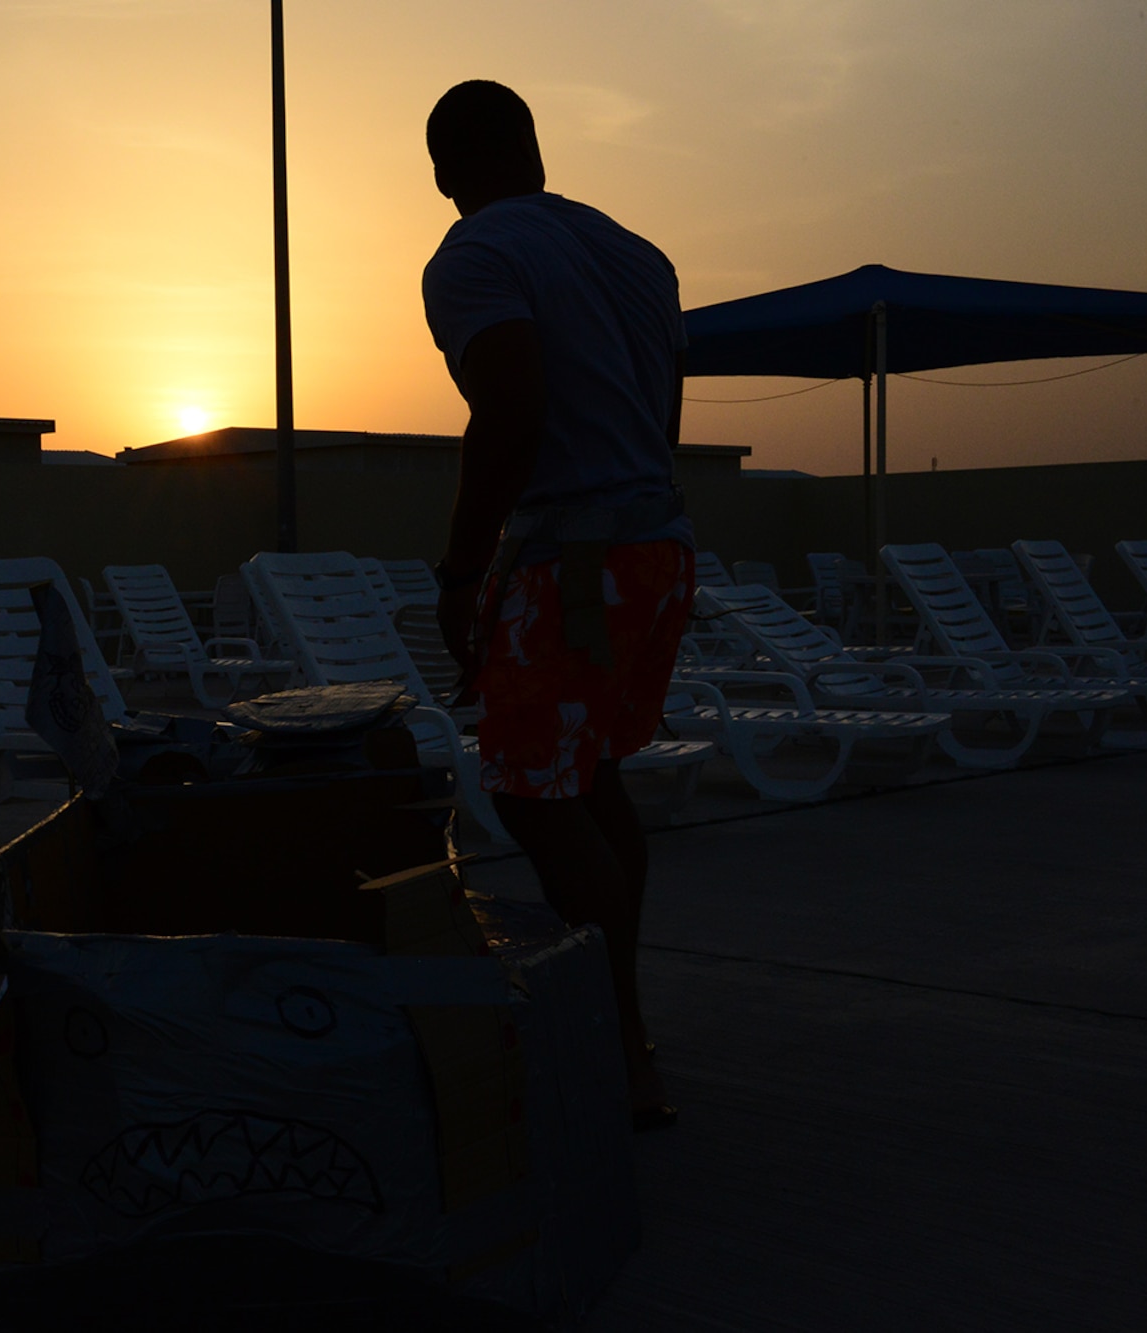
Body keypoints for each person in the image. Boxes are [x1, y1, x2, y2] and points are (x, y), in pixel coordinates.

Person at [421, 80, 693, 1129]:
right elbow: (662, 415)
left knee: (535, 796)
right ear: (533, 150)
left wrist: (461, 571)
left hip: (573, 561)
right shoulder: (637, 254)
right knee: (592, 780)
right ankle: (622, 1037)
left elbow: (511, 410)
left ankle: (613, 1046)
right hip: (656, 548)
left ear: (444, 171)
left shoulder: (475, 254)